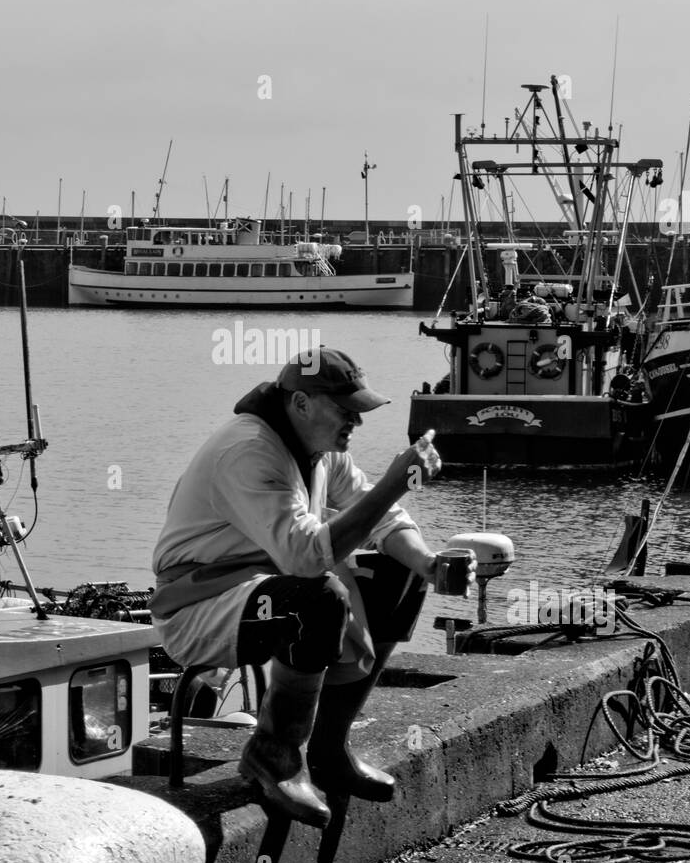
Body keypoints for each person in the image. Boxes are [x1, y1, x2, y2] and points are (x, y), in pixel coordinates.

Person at [151, 348, 475, 828]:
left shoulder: (320, 452)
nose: (355, 423)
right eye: (346, 410)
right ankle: (274, 756)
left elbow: (380, 518)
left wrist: (427, 564)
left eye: (358, 412)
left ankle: (328, 749)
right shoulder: (248, 451)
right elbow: (305, 558)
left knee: (397, 572)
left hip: (259, 587)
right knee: (317, 599)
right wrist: (396, 482)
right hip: (196, 605)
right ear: (301, 404)